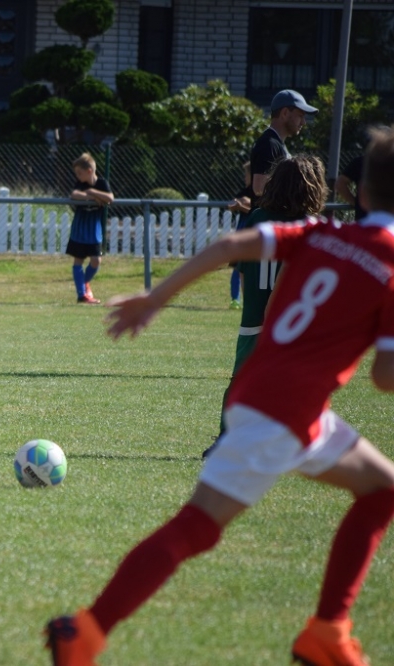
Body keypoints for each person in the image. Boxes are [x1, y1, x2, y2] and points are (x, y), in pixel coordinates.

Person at [45, 125, 394, 666]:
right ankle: (85, 631)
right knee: (197, 528)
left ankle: (328, 630)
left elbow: (232, 244)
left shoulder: (323, 232)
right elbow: (384, 378)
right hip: (283, 414)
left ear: (360, 191)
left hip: (272, 397)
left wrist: (155, 298)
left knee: (382, 489)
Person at [205, 154, 329, 458]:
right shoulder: (311, 226)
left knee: (241, 381)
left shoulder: (258, 218)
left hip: (254, 318)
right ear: (312, 187)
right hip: (295, 319)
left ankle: (226, 439)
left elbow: (242, 270)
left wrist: (253, 303)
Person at [250, 89, 317, 202]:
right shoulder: (268, 144)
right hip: (268, 213)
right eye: (300, 116)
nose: (303, 122)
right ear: (285, 113)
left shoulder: (276, 143)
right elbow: (259, 188)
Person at [67, 153, 113, 304]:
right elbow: (74, 194)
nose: (77, 176)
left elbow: (110, 198)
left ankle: (85, 283)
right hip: (80, 228)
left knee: (96, 260)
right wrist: (91, 197)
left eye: (79, 173)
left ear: (89, 171)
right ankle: (82, 295)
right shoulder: (80, 184)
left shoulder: (102, 183)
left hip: (94, 229)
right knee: (78, 260)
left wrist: (93, 192)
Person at [226, 161, 254, 309]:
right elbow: (231, 205)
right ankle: (235, 299)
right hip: (241, 232)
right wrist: (236, 205)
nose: (244, 177)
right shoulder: (244, 192)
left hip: (253, 233)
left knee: (252, 269)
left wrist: (243, 206)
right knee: (237, 267)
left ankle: (250, 299)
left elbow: (255, 211)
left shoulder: (261, 194)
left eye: (246, 174)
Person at [336, 154, 366, 222]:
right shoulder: (361, 161)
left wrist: (357, 203)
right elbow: (340, 184)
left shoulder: (361, 161)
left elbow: (340, 184)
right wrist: (355, 203)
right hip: (364, 217)